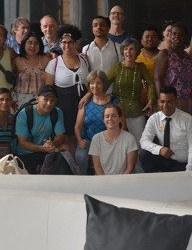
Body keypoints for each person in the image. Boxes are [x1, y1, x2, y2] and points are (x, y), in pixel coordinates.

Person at [45, 24, 89, 152]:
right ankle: (66, 167)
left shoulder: (85, 60)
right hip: (63, 108)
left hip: (82, 106)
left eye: (70, 42)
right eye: (64, 42)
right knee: (64, 140)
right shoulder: (54, 63)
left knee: (78, 138)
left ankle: (77, 168)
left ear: (75, 43)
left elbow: (91, 82)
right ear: (59, 43)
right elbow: (48, 90)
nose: (67, 46)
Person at [74, 70, 124, 173]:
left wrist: (117, 141)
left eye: (98, 83)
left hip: (108, 140)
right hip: (88, 140)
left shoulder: (114, 102)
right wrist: (80, 140)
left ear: (104, 84)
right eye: (92, 83)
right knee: (80, 156)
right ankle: (82, 182)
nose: (95, 86)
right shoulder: (85, 103)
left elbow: (123, 125)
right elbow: (78, 126)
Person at [139, 85, 192, 172]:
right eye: (162, 101)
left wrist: (189, 170)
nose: (165, 105)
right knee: (144, 155)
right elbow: (144, 141)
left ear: (176, 102)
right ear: (158, 102)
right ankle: (154, 182)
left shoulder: (188, 120)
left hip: (182, 164)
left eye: (169, 101)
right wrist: (159, 149)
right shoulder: (154, 118)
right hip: (163, 160)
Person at [107, 38, 156, 142]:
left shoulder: (140, 67)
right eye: (126, 49)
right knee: (118, 142)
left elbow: (151, 85)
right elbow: (104, 84)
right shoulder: (117, 67)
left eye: (132, 49)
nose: (128, 52)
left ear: (137, 51)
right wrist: (89, 94)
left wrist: (151, 101)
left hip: (136, 111)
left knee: (139, 142)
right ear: (122, 51)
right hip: (117, 111)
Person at [15, 84, 67, 173]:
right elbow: (22, 144)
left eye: (52, 100)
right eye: (45, 99)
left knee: (65, 148)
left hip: (45, 150)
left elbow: (61, 136)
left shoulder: (57, 112)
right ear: (37, 98)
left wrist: (52, 143)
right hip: (25, 153)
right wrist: (43, 148)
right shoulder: (25, 114)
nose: (49, 103)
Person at [154, 22, 192, 113]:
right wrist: (162, 100)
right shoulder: (165, 54)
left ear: (185, 36)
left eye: (180, 34)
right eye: (174, 34)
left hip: (186, 101)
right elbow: (157, 79)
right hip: (169, 102)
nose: (177, 37)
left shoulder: (187, 56)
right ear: (170, 35)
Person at [89, 104, 139, 175]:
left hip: (123, 180)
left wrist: (120, 182)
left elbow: (130, 168)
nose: (110, 119)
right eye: (107, 116)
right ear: (103, 120)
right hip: (102, 180)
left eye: (114, 116)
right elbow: (97, 167)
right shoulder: (96, 139)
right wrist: (105, 182)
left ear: (120, 119)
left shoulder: (130, 138)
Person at [13, 30, 50, 107]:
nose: (33, 46)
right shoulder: (17, 60)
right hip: (20, 102)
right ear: (24, 44)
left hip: (40, 101)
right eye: (29, 42)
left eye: (36, 43)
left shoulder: (46, 59)